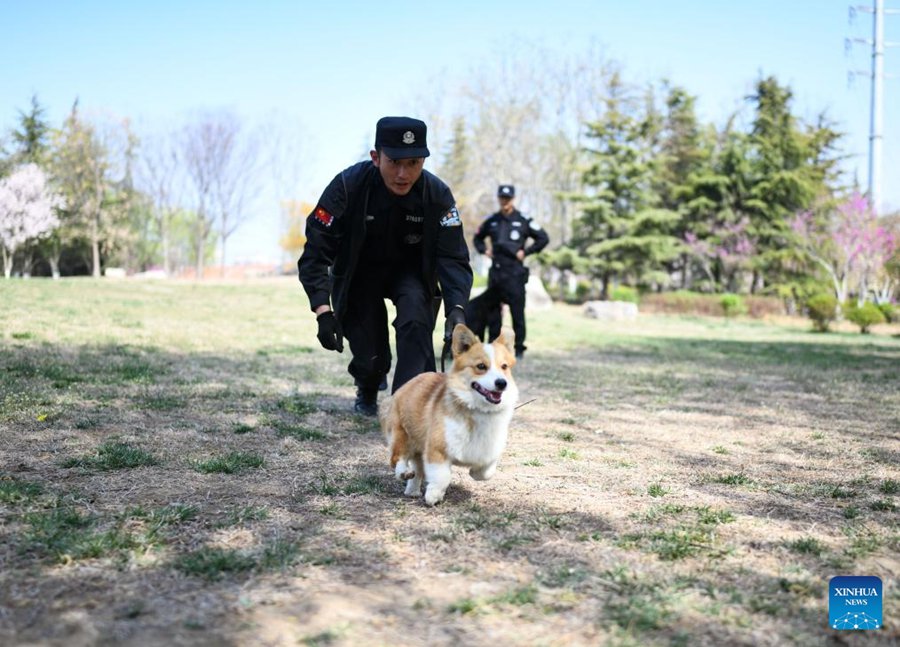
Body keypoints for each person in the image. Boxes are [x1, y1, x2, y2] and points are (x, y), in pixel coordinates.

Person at [298, 116, 472, 416]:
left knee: (417, 321)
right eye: (394, 162)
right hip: (360, 274)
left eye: (414, 163)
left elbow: (453, 258)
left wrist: (456, 309)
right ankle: (368, 385)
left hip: (411, 274)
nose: (404, 174)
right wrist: (322, 311)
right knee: (371, 355)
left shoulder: (437, 195)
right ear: (376, 157)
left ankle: (407, 408)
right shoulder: (346, 187)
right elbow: (316, 251)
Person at [466, 184, 549, 358]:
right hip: (496, 273)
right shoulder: (492, 220)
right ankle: (492, 347)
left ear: (513, 199)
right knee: (493, 313)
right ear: (498, 198)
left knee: (517, 312)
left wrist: (526, 252)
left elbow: (543, 238)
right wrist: (484, 251)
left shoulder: (524, 219)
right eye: (502, 198)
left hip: (515, 274)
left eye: (508, 198)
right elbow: (478, 238)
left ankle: (519, 348)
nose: (505, 201)